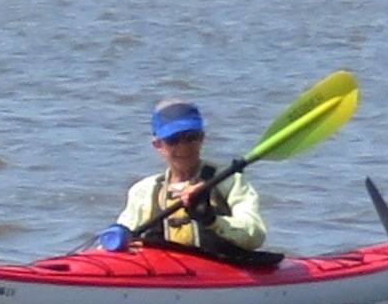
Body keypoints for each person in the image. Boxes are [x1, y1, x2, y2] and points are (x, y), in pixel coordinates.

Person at [114, 98, 273, 261]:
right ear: (158, 145)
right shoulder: (144, 191)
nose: (184, 147)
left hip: (222, 274)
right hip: (167, 276)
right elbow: (116, 241)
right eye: (173, 141)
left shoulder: (229, 181)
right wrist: (121, 242)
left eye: (191, 138)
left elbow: (256, 235)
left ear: (202, 138)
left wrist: (212, 220)